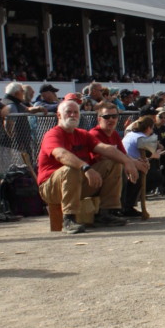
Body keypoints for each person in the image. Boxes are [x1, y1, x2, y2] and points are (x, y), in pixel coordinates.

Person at [37, 99, 127, 233]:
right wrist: (85, 167)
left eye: (76, 112)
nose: (73, 115)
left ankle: (106, 214)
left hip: (77, 182)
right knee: (71, 167)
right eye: (68, 112)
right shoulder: (53, 134)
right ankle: (68, 219)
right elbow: (61, 154)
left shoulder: (82, 134)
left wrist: (128, 162)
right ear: (59, 115)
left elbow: (105, 148)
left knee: (113, 164)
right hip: (51, 188)